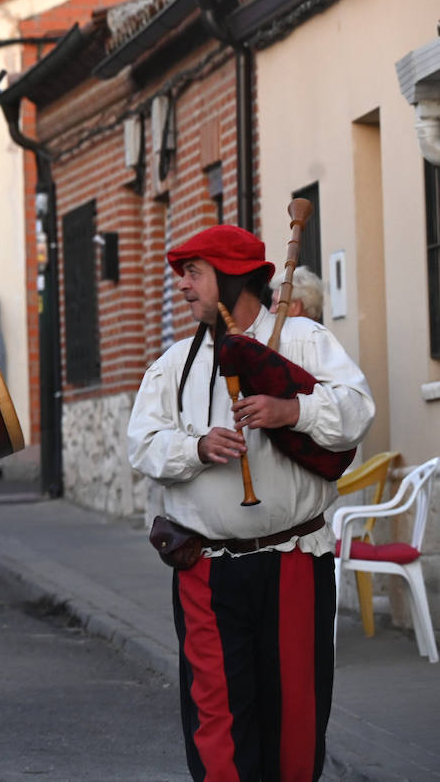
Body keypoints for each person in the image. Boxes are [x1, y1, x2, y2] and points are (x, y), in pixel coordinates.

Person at [126, 225, 374, 782]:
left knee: (295, 714)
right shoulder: (171, 366)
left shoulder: (305, 342)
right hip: (205, 570)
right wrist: (196, 447)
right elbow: (141, 444)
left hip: (292, 560)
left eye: (194, 273)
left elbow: (357, 413)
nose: (183, 287)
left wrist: (294, 412)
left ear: (232, 276)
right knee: (218, 721)